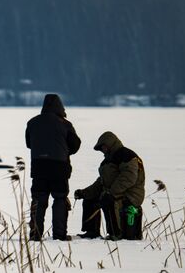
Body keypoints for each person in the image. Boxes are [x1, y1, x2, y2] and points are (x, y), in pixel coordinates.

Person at [26, 94, 81, 241]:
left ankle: (35, 234)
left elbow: (28, 143)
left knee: (38, 200)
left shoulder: (32, 122)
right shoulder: (65, 124)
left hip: (39, 167)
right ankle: (59, 235)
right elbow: (76, 145)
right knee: (60, 199)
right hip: (59, 167)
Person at [74, 131, 145, 240]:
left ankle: (115, 234)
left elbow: (129, 177)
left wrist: (111, 193)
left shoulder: (126, 155)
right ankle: (91, 232)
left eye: (103, 146)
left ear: (110, 143)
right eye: (101, 148)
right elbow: (101, 183)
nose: (102, 150)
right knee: (90, 200)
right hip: (115, 192)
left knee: (109, 200)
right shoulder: (107, 161)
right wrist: (84, 193)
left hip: (130, 195)